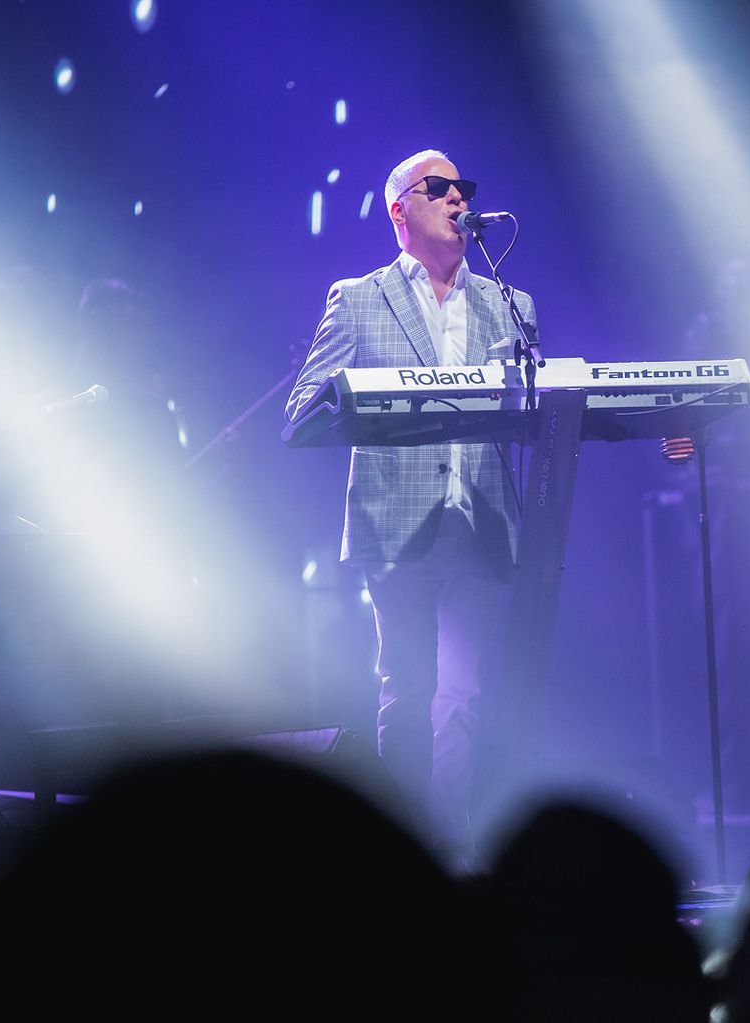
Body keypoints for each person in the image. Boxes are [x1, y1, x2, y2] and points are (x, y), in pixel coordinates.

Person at [286, 149, 536, 860]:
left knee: (466, 693)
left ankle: (451, 848)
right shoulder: (358, 298)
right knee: (408, 685)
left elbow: (538, 409)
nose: (459, 198)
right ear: (399, 209)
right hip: (396, 519)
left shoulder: (508, 304)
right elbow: (303, 410)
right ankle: (402, 853)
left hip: (482, 517)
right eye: (439, 188)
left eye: (465, 188)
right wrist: (378, 406)